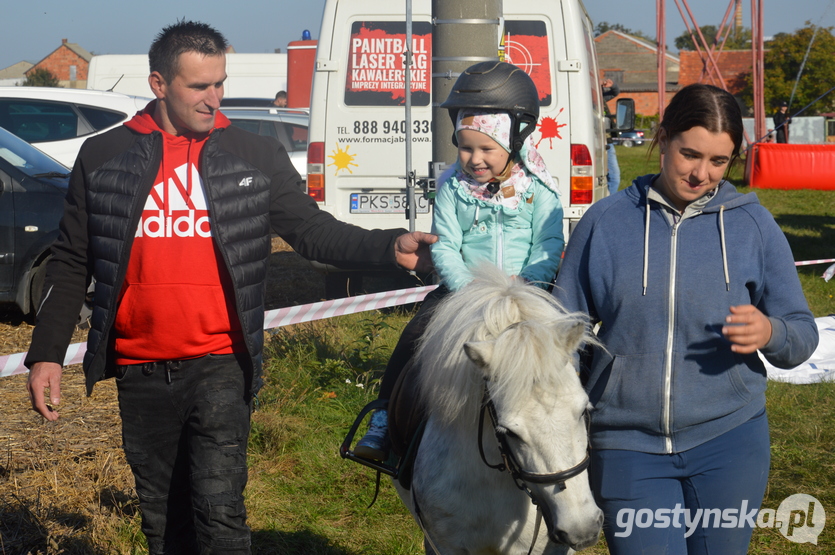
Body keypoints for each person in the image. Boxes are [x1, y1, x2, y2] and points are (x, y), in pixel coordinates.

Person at [24, 20, 435, 555]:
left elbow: (312, 232)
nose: (213, 98)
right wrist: (46, 354)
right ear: (159, 84)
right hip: (139, 368)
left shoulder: (255, 155)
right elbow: (72, 261)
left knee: (220, 520)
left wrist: (389, 247)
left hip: (221, 362)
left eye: (219, 83)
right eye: (199, 86)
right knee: (164, 526)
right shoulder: (102, 158)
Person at [553, 83, 818, 554]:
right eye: (689, 154)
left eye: (719, 161)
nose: (701, 174)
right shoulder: (604, 222)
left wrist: (770, 331)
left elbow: (801, 332)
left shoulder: (753, 226)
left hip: (730, 442)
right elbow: (564, 335)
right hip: (625, 446)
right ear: (663, 137)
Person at [354, 61, 565, 460]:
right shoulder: (453, 187)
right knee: (414, 337)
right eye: (466, 147)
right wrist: (467, 288)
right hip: (462, 290)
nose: (474, 158)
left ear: (514, 141)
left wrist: (530, 284)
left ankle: (584, 425)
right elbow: (445, 244)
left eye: (486, 148)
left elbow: (549, 243)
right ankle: (382, 419)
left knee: (567, 348)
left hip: (528, 291)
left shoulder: (539, 189)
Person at [602, 78, 621, 195]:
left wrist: (612, 85)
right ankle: (609, 203)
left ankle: (609, 201)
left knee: (614, 178)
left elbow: (615, 92)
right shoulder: (586, 99)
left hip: (607, 141)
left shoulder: (601, 97)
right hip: (600, 141)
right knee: (613, 177)